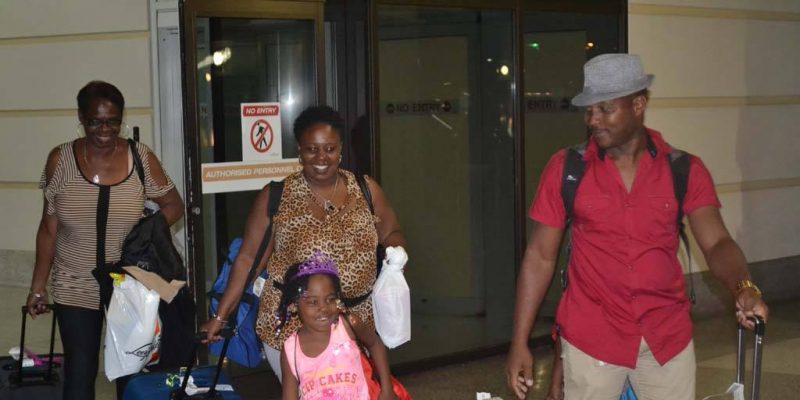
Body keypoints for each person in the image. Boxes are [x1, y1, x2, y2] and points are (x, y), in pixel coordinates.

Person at [505, 54, 769, 400]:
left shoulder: (684, 170)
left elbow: (717, 242)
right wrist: (519, 342)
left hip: (666, 340)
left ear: (639, 105)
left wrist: (743, 287)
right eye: (589, 110)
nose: (593, 120)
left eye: (605, 109)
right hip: (593, 340)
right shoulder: (566, 169)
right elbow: (540, 256)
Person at [201, 105, 406, 379]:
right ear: (299, 150)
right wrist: (221, 317)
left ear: (341, 149)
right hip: (293, 325)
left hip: (357, 322)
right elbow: (248, 259)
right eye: (312, 149)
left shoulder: (366, 190)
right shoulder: (277, 196)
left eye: (330, 149)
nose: (321, 157)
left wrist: (396, 256)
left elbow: (392, 232)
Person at [26, 80, 184, 400]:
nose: (105, 130)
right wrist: (38, 286)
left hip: (128, 286)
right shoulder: (60, 160)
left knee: (131, 373)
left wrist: (145, 232)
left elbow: (174, 205)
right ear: (81, 118)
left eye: (113, 121)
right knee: (79, 375)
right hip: (74, 284)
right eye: (95, 122)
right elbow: (48, 228)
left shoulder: (140, 158)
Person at [278, 251, 397, 400]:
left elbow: (375, 344)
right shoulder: (291, 350)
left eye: (330, 299)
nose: (323, 308)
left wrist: (387, 389)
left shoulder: (349, 324)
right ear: (294, 305)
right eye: (313, 302)